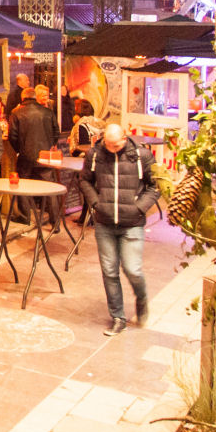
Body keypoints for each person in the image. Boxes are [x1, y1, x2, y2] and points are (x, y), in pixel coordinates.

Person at [84, 124, 159, 336]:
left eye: (115, 145)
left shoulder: (141, 156)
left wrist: (139, 207)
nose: (111, 149)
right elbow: (85, 181)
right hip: (104, 221)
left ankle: (142, 299)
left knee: (132, 268)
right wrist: (96, 203)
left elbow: (156, 186)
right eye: (107, 144)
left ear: (124, 139)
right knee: (109, 271)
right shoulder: (96, 155)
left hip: (132, 223)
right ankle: (118, 317)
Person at [10, 84, 61, 226]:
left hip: (25, 156)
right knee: (50, 188)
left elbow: (12, 136)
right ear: (34, 97)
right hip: (44, 156)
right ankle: (55, 222)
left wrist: (19, 149)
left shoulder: (17, 113)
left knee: (22, 185)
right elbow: (56, 132)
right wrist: (49, 145)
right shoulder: (48, 112)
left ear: (23, 97)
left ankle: (24, 216)